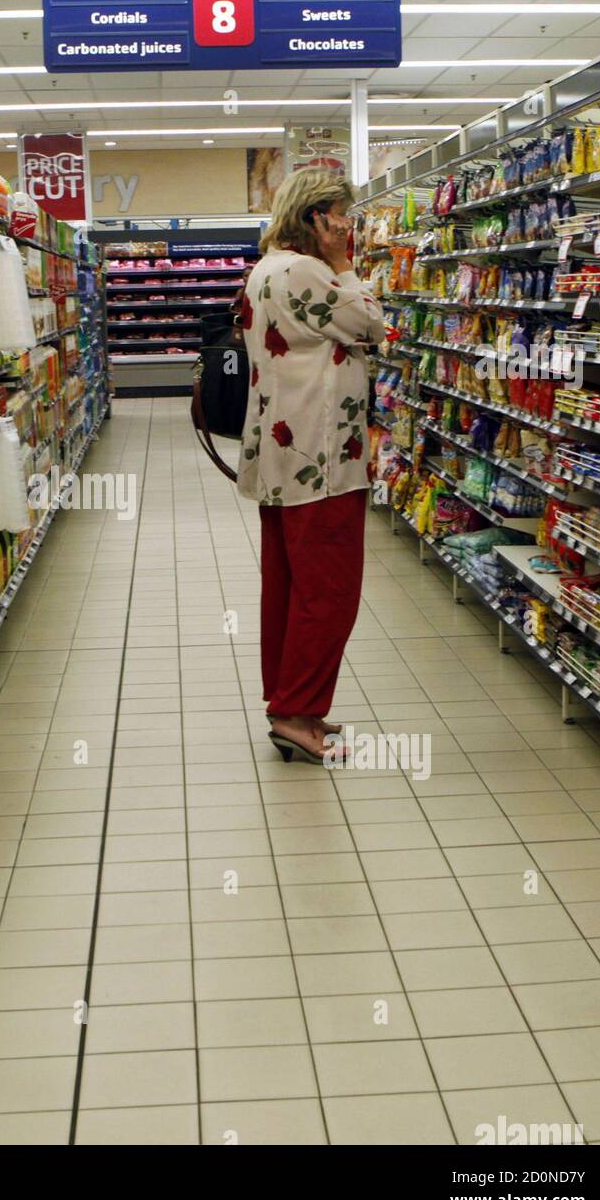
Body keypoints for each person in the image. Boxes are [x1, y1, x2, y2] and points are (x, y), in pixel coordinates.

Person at [238, 167, 385, 763]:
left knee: (290, 586)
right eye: (341, 214)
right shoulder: (306, 270)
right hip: (319, 458)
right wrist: (343, 262)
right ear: (317, 217)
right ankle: (298, 713)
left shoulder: (265, 268)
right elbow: (372, 324)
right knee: (330, 590)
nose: (349, 225)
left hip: (283, 455)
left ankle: (290, 702)